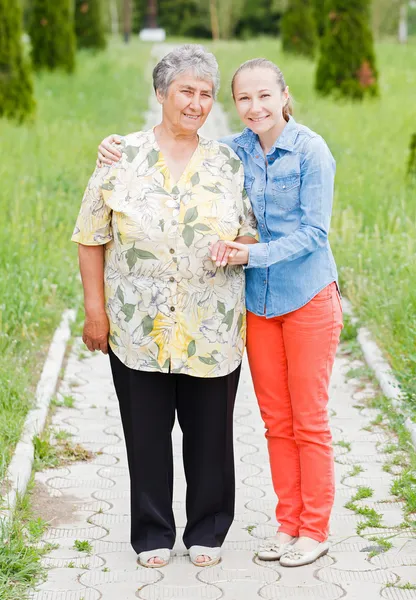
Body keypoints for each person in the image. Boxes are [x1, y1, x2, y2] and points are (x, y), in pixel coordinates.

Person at [97, 56, 343, 568]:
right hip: (258, 304)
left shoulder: (311, 151)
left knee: (309, 420)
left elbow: (316, 234)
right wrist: (114, 148)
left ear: (285, 96)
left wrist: (250, 253)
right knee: (276, 421)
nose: (254, 108)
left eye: (264, 97)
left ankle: (313, 529)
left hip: (306, 297)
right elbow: (185, 148)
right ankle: (286, 525)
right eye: (243, 99)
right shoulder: (237, 150)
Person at [72, 44, 258, 569]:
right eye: (186, 92)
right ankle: (152, 531)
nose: (197, 103)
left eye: (205, 94)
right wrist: (96, 311)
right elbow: (91, 236)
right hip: (137, 325)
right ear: (160, 94)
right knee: (146, 435)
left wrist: (238, 246)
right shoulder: (120, 157)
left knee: (212, 437)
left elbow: (250, 229)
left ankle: (208, 529)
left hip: (212, 323)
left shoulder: (228, 161)